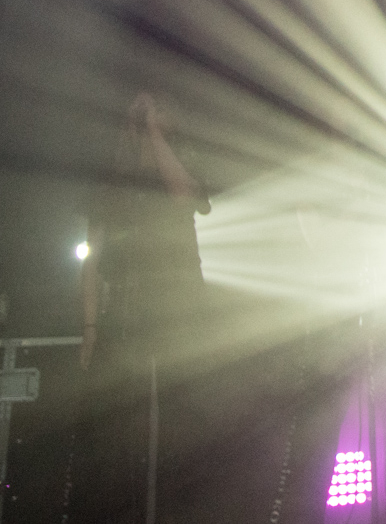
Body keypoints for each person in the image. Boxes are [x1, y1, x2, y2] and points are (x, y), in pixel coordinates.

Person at [76, 90, 211, 523]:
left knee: (178, 426)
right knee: (121, 431)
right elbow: (91, 261)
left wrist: (154, 134)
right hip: (125, 313)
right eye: (139, 109)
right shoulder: (112, 182)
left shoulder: (183, 159)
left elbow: (185, 196)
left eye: (157, 108)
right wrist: (90, 329)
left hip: (177, 311)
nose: (148, 114)